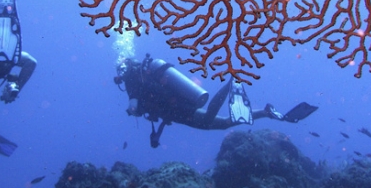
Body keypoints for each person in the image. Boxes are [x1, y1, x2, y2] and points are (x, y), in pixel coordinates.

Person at [114, 54, 319, 148]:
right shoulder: (142, 77)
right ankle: (265, 112)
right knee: (222, 124)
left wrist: (131, 111)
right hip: (176, 110)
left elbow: (134, 107)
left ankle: (231, 82)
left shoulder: (133, 83)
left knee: (209, 118)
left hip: (177, 109)